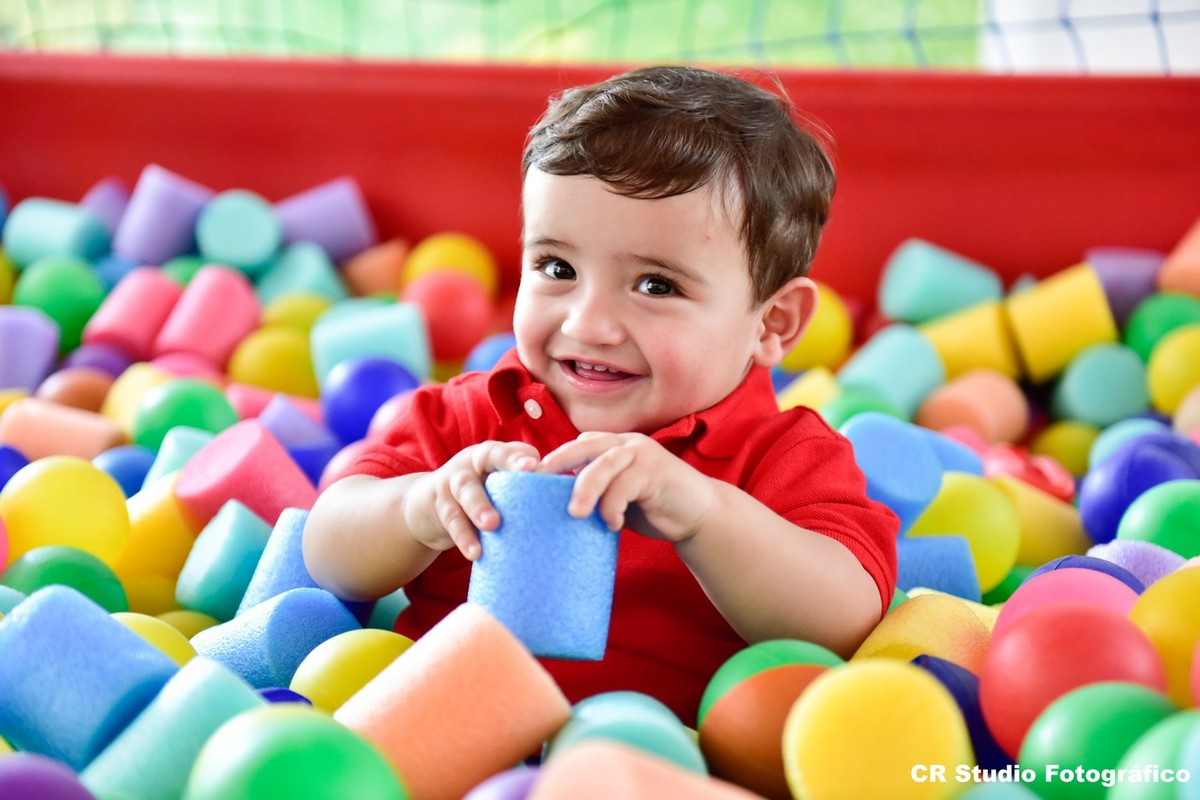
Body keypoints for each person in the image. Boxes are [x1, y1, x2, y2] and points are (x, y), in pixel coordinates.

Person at [304, 65, 899, 726]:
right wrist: (422, 507)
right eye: (557, 268)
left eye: (656, 285)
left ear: (771, 324)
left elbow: (845, 620)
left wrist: (703, 515)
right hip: (443, 739)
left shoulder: (785, 457)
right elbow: (329, 551)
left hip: (668, 757)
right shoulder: (469, 418)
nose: (587, 324)